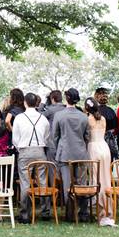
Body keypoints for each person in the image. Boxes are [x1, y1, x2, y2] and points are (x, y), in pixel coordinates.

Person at [47, 88, 90, 222]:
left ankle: (71, 214)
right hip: (81, 153)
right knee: (82, 184)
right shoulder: (83, 116)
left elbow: (54, 136)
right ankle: (83, 213)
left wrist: (59, 147)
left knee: (67, 185)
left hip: (65, 153)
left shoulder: (60, 115)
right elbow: (87, 136)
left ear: (67, 98)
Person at [12, 92, 49, 223]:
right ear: (36, 103)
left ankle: (25, 214)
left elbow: (15, 139)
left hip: (25, 151)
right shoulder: (43, 118)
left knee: (25, 182)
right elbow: (47, 137)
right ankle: (46, 212)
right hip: (40, 151)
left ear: (25, 103)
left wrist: (20, 149)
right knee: (43, 180)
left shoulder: (19, 118)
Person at [86, 97, 116, 227]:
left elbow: (87, 136)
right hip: (104, 148)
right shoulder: (102, 119)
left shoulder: (88, 119)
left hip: (94, 148)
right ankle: (107, 208)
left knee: (95, 179)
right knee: (106, 179)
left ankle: (99, 208)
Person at [95, 87, 119, 161]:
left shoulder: (94, 112)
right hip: (110, 143)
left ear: (96, 97)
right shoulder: (111, 111)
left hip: (98, 142)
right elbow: (116, 126)